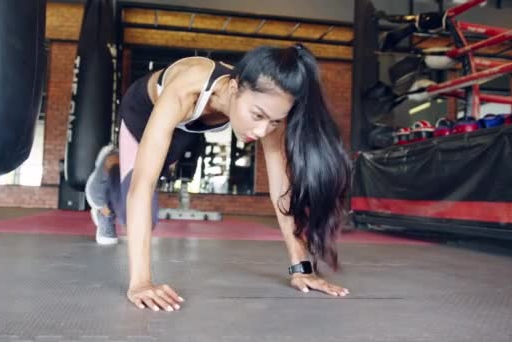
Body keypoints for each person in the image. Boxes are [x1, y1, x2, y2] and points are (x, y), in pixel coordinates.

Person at [92, 44, 351, 312]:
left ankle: (118, 165)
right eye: (258, 116)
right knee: (133, 209)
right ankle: (108, 165)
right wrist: (141, 282)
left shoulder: (268, 107)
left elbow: (281, 190)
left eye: (274, 121)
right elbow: (142, 188)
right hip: (142, 113)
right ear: (234, 88)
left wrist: (302, 269)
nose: (263, 130)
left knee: (158, 169)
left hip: (186, 129)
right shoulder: (186, 89)